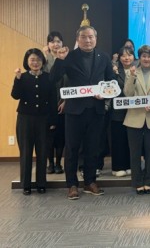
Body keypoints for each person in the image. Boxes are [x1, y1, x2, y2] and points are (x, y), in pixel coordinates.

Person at [50, 26, 114, 200]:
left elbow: (111, 80)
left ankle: (90, 181)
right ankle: (72, 184)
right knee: (72, 148)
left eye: (91, 37)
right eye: (84, 37)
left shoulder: (104, 57)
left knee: (93, 148)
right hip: (74, 110)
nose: (88, 40)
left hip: (96, 109)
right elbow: (53, 79)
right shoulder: (69, 56)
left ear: (96, 38)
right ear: (78, 39)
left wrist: (106, 93)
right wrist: (59, 60)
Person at [11, 49, 56, 195]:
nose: (35, 62)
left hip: (44, 119)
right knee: (26, 152)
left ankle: (41, 183)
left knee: (42, 152)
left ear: (43, 61)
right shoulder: (22, 77)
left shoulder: (49, 77)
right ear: (27, 61)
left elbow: (53, 101)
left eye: (38, 60)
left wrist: (53, 120)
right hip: (25, 119)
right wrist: (17, 79)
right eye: (32, 60)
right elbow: (15, 95)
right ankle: (26, 185)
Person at [123, 45, 150, 194]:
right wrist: (132, 77)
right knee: (134, 153)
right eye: (144, 56)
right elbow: (128, 94)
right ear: (139, 58)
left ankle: (149, 181)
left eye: (149, 56)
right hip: (134, 118)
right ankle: (137, 182)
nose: (146, 59)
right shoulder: (131, 72)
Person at [42, 31, 65, 175]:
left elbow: (70, 81)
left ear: (62, 43)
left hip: (62, 102)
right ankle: (50, 163)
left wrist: (65, 101)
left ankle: (58, 164)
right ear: (48, 44)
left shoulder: (66, 58)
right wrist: (47, 56)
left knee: (60, 135)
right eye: (52, 41)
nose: (55, 44)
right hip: (47, 104)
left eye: (58, 41)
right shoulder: (44, 59)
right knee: (48, 136)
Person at [109, 46, 133, 177]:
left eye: (129, 55)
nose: (126, 58)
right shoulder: (114, 70)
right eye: (123, 55)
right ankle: (118, 167)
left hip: (134, 111)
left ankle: (129, 165)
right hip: (118, 111)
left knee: (131, 140)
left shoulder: (138, 70)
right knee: (118, 139)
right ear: (119, 58)